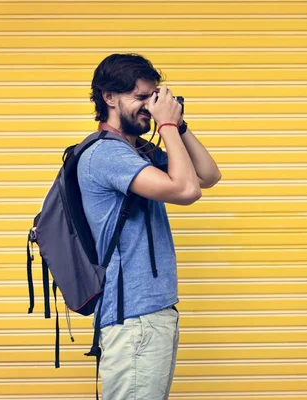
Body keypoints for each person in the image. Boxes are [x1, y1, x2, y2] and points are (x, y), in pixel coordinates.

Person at [77, 53, 221, 399]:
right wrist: (167, 127)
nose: (149, 107)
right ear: (109, 97)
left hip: (151, 312)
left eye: (154, 97)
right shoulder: (108, 155)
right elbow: (187, 191)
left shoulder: (138, 151)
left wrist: (179, 125)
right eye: (140, 98)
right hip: (134, 319)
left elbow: (208, 175)